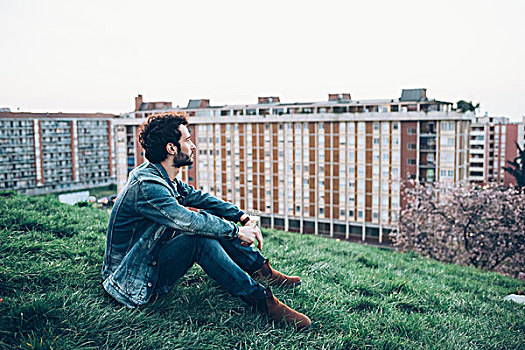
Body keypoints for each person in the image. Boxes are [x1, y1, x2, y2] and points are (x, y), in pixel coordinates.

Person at [101, 111, 311, 330]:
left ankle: (263, 272)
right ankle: (261, 300)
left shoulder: (160, 175)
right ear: (171, 148)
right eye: (187, 140)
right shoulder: (149, 187)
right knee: (201, 238)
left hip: (148, 257)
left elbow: (198, 197)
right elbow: (190, 221)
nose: (192, 146)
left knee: (211, 225)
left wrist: (241, 216)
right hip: (130, 279)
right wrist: (237, 231)